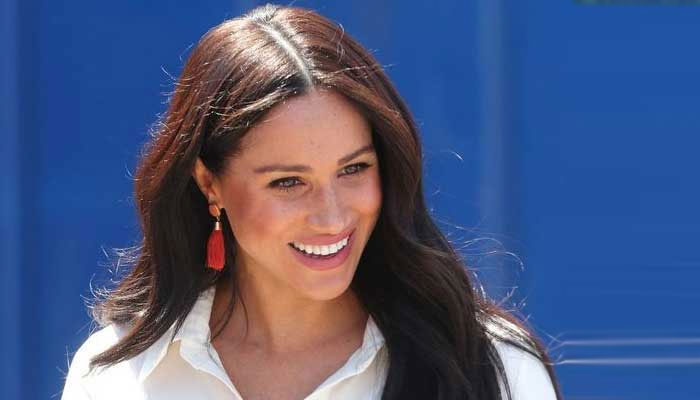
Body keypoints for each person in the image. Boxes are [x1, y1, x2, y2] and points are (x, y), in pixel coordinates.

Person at [61, 4, 562, 400]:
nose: (332, 215)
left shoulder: (492, 366)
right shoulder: (118, 376)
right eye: (288, 182)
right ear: (210, 184)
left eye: (353, 169)